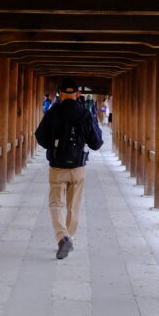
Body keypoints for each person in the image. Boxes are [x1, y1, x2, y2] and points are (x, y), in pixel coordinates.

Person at [34, 78, 103, 259]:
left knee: (56, 203)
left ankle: (62, 238)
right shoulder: (85, 114)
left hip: (57, 167)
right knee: (74, 205)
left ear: (60, 93)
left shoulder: (53, 112)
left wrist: (53, 145)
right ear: (78, 94)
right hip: (78, 167)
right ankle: (69, 237)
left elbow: (40, 137)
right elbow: (96, 143)